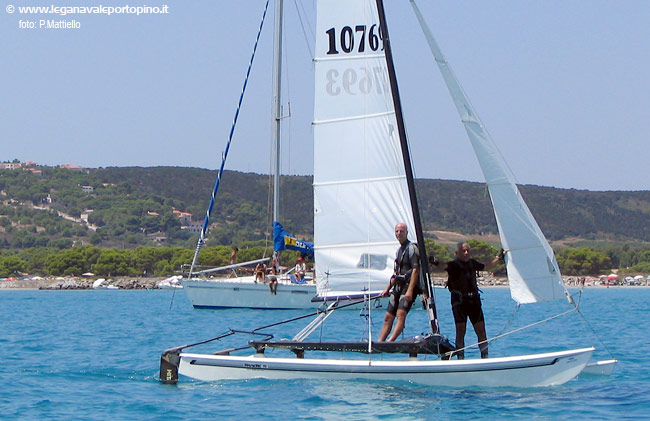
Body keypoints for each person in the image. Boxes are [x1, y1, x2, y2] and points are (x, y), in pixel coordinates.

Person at [430, 242, 505, 359]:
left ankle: (485, 357)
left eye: (467, 251)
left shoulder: (472, 263)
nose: (466, 253)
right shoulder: (453, 265)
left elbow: (486, 266)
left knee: (481, 331)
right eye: (463, 251)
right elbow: (442, 265)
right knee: (461, 331)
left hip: (474, 301)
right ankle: (460, 357)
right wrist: (433, 261)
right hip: (459, 302)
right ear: (457, 253)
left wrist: (499, 259)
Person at [378, 222, 426, 342]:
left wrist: (410, 291)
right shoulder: (399, 250)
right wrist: (387, 289)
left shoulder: (412, 249)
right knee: (388, 317)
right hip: (398, 287)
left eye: (401, 231)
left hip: (408, 288)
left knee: (400, 315)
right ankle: (380, 342)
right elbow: (395, 273)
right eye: (397, 231)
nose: (399, 233)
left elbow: (415, 271)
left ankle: (391, 341)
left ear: (406, 233)